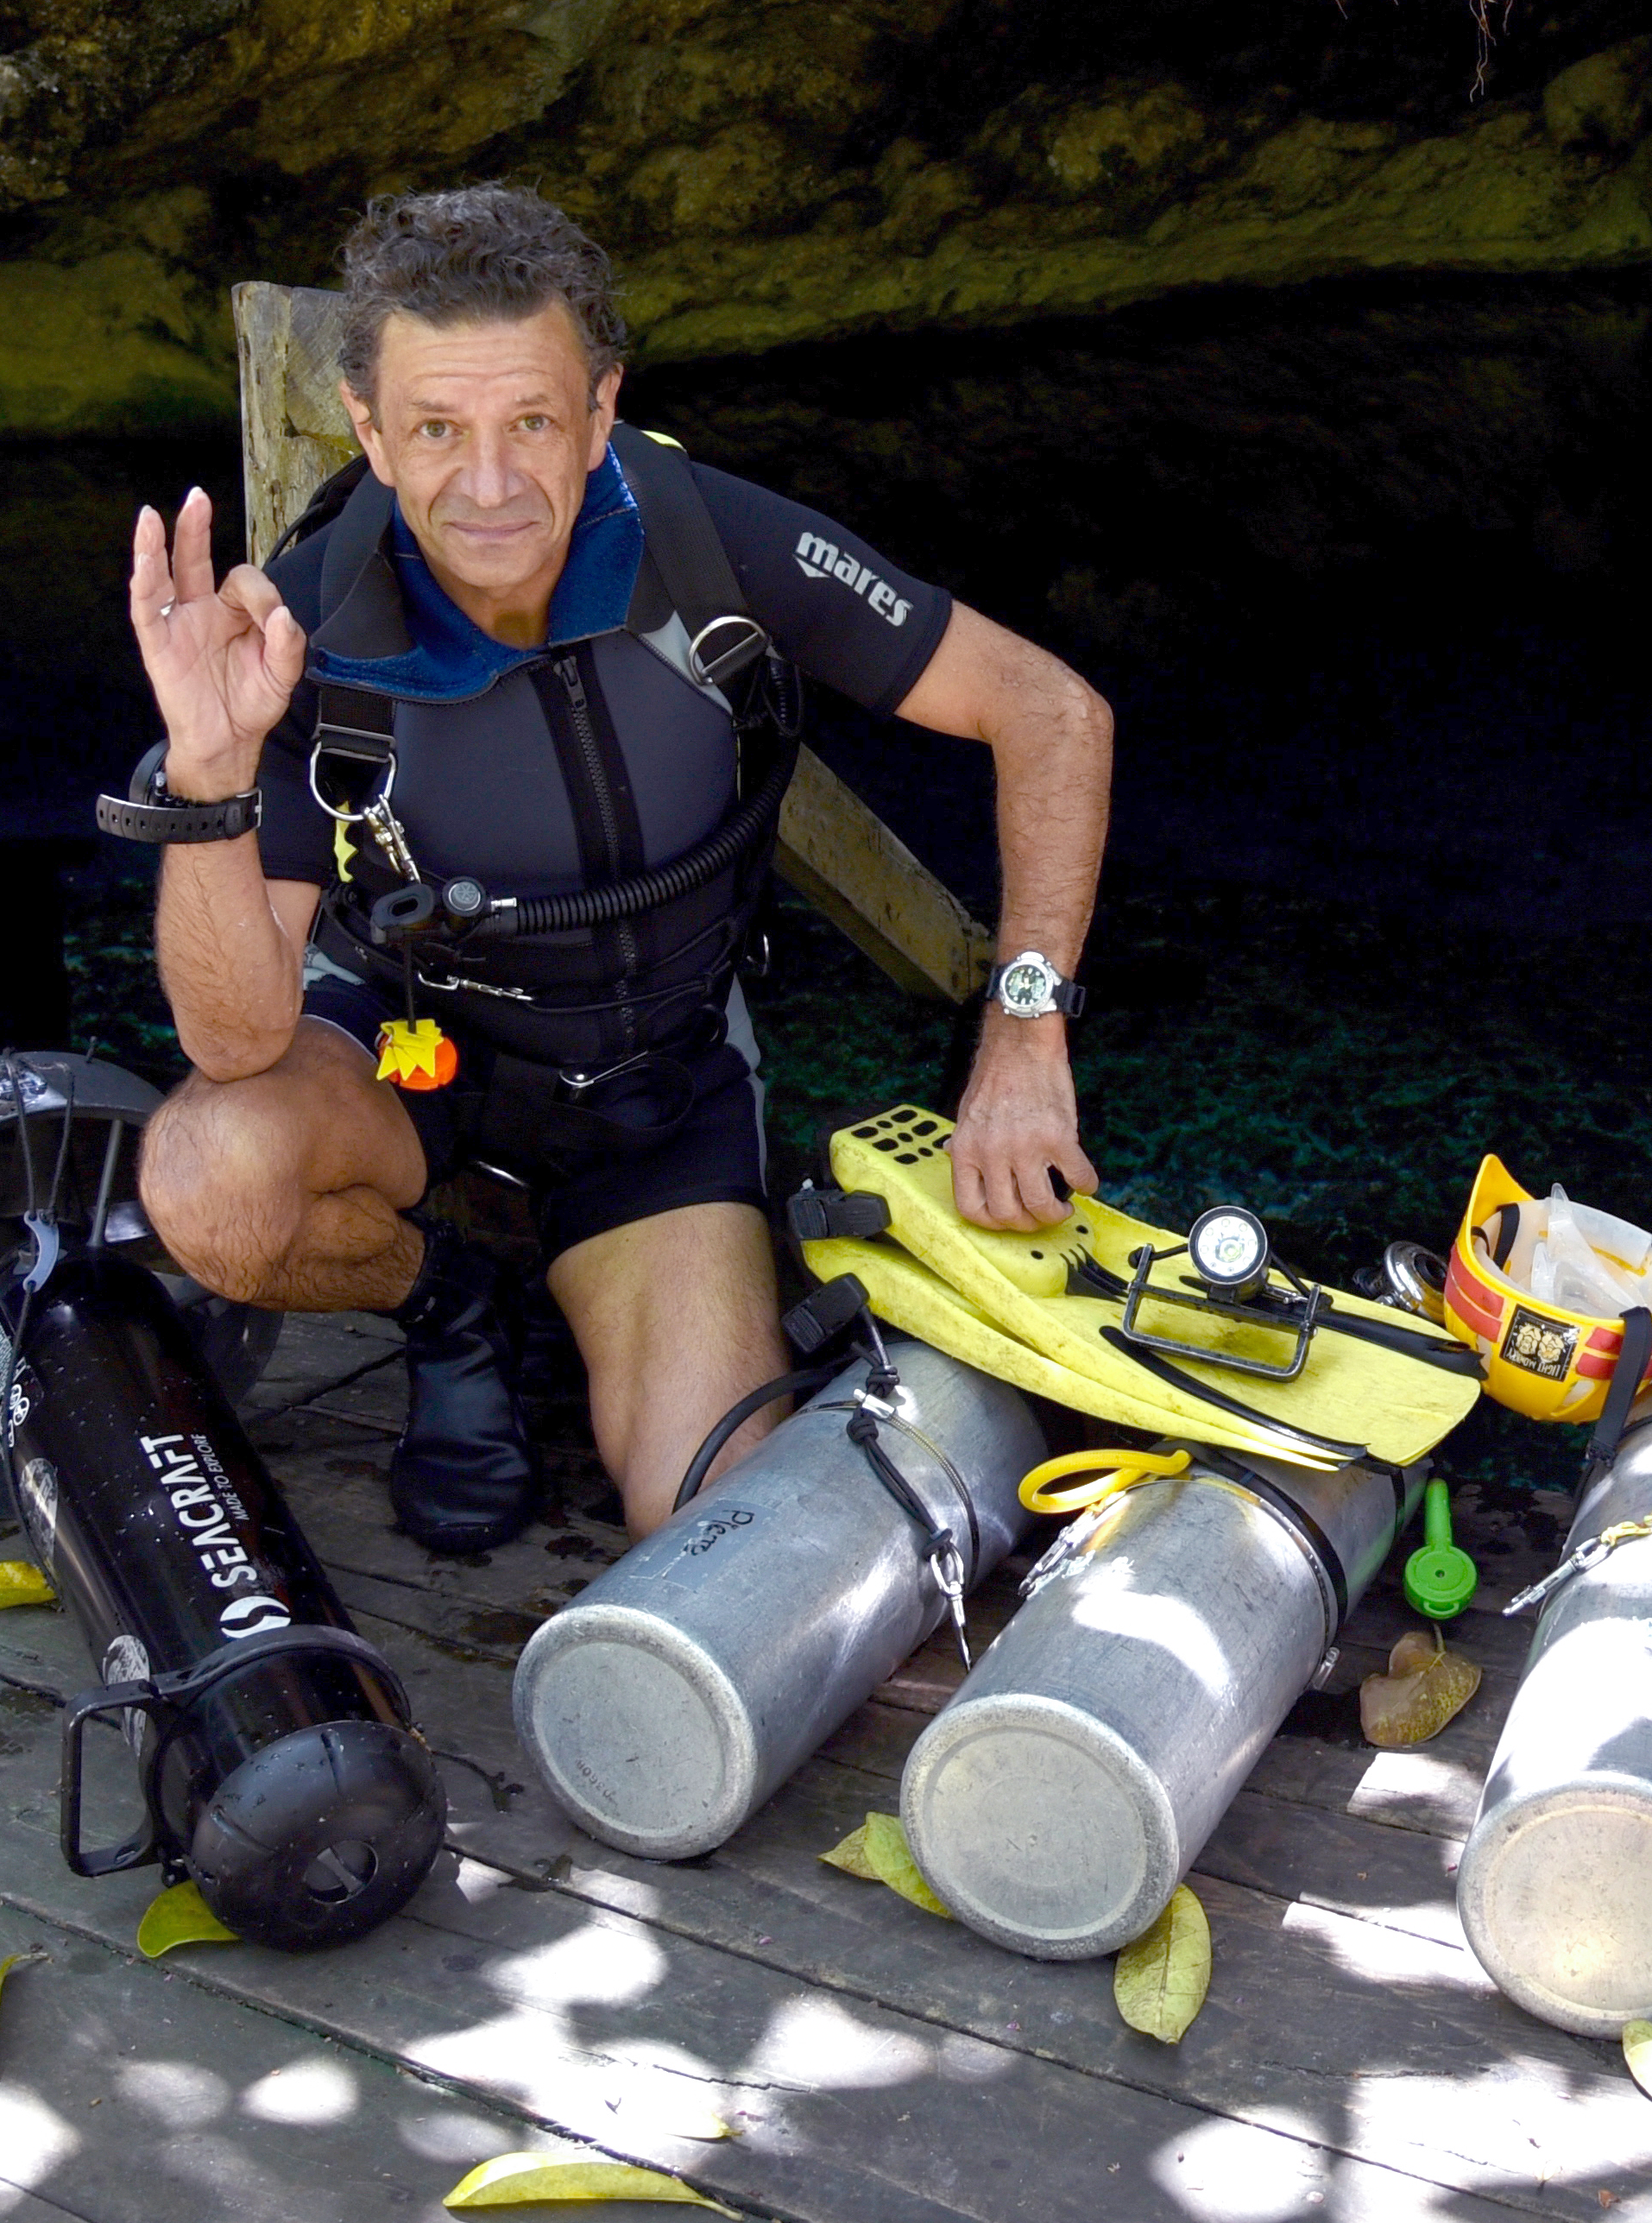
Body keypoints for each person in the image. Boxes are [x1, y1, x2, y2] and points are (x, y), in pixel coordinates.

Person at [106, 186, 1113, 1550]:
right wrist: (212, 778)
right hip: (421, 1065)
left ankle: (585, 1295)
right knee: (208, 1179)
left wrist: (1024, 1028)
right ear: (370, 434)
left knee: (719, 1537)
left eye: (532, 420)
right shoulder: (304, 634)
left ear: (599, 408)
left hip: (661, 1092)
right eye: (437, 430)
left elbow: (1048, 710)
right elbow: (236, 1043)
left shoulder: (710, 543)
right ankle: (442, 1297)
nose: (490, 482)